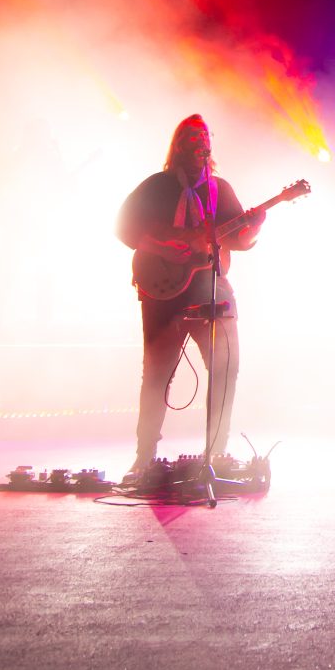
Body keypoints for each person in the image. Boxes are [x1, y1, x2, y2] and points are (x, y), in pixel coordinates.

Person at [117, 114, 264, 476]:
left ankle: (215, 452)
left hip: (210, 290)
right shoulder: (157, 186)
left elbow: (236, 240)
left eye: (205, 138)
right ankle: (144, 455)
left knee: (225, 368)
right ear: (178, 144)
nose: (201, 144)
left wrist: (254, 225)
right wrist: (163, 248)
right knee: (156, 373)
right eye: (192, 138)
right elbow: (123, 226)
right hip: (163, 292)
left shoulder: (220, 190)